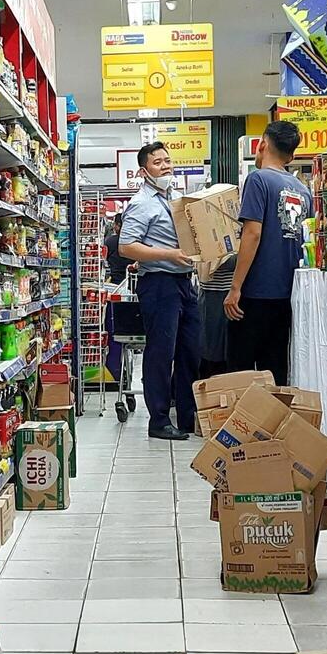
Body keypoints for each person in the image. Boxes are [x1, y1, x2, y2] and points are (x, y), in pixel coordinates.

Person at [114, 142, 201, 440]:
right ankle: (159, 421)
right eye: (157, 162)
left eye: (167, 160)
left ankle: (188, 416)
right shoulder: (141, 203)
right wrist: (168, 254)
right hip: (160, 284)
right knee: (161, 353)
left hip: (184, 282)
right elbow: (126, 246)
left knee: (190, 350)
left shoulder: (177, 199)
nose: (165, 166)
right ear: (143, 171)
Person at [224, 119, 312, 384]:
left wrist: (235, 287)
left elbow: (253, 233)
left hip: (255, 293)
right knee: (275, 371)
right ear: (292, 154)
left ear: (262, 144)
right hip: (287, 294)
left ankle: (240, 425)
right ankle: (273, 424)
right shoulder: (303, 190)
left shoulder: (258, 179)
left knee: (240, 372)